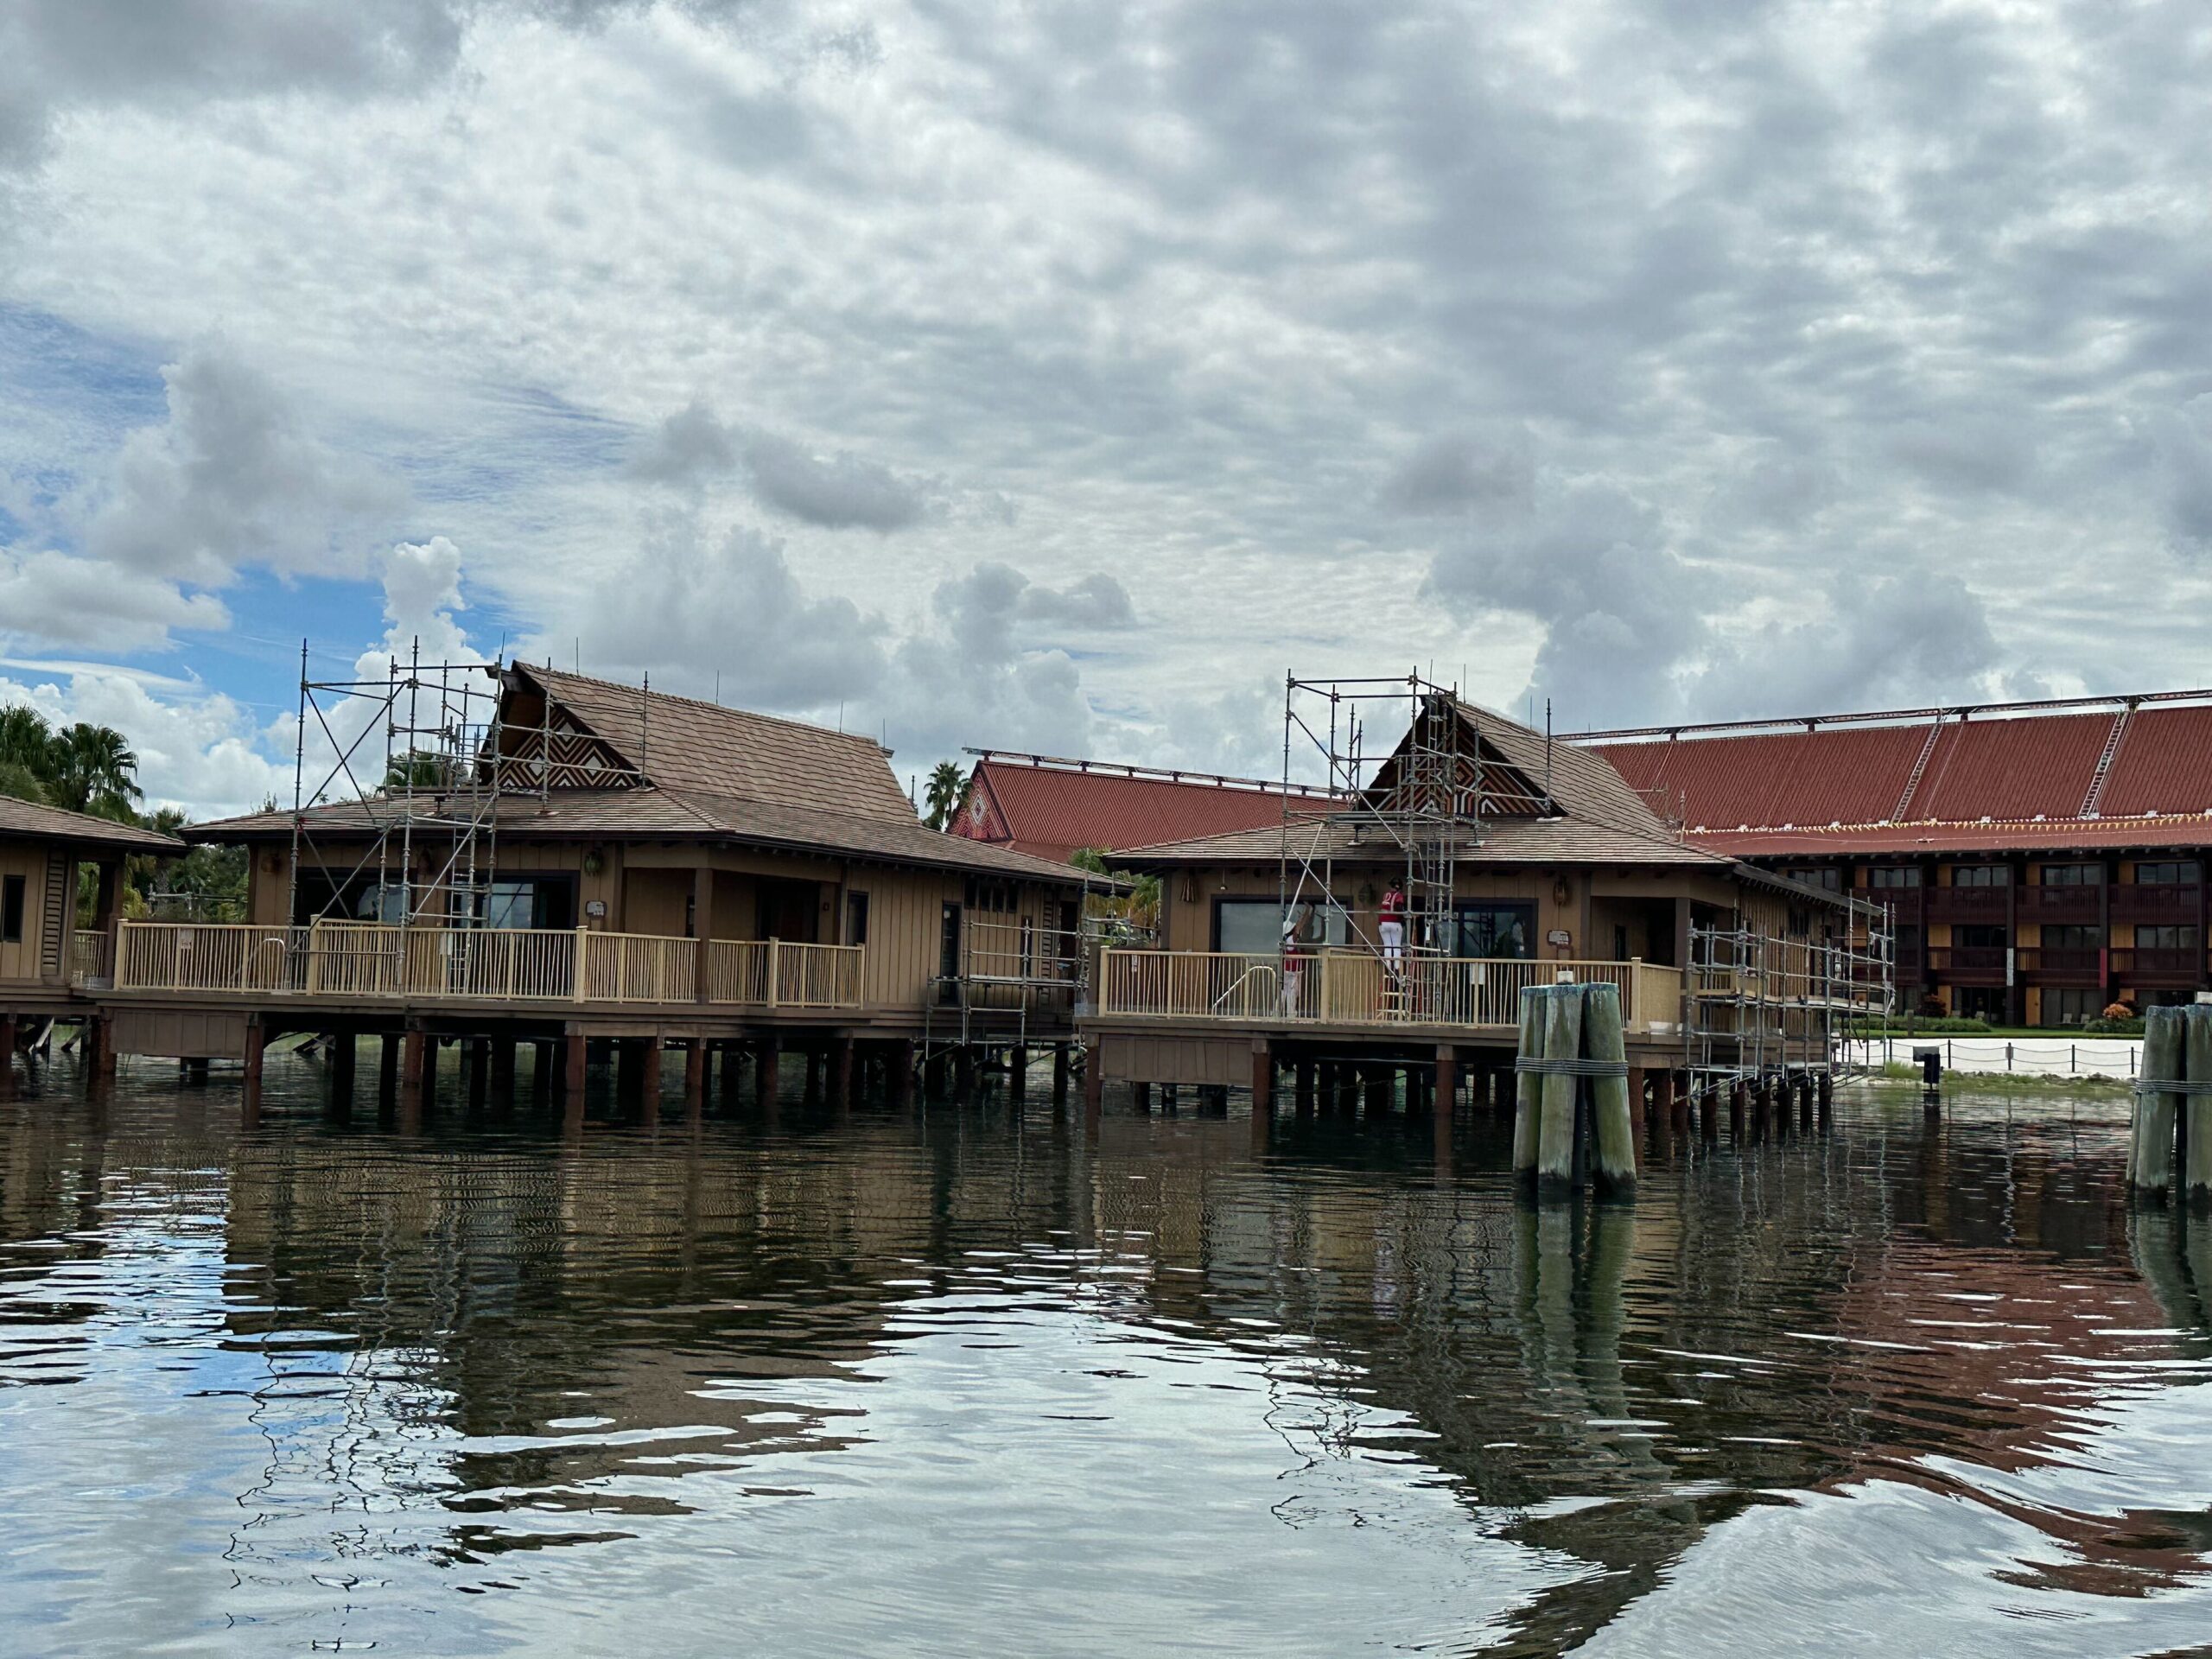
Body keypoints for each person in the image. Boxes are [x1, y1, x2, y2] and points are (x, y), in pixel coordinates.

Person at [1280, 925, 1306, 1016]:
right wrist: (1304, 916)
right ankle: (1290, 1013)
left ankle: (1277, 1011)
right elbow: (1297, 930)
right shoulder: (1291, 939)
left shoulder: (1286, 940)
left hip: (1288, 970)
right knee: (1292, 992)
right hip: (1293, 971)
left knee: (1284, 992)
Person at [1379, 880, 1407, 966]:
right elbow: (1398, 907)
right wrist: (1404, 918)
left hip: (1383, 922)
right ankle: (1396, 968)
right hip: (1394, 922)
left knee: (1387, 945)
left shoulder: (1386, 895)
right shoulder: (1398, 896)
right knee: (1396, 946)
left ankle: (1388, 965)